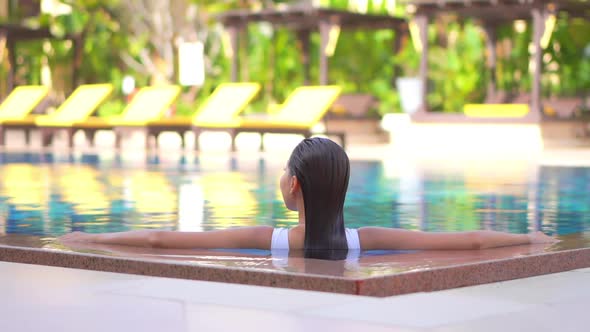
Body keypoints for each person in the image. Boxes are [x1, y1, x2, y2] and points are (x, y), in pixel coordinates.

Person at [59, 137, 557, 260]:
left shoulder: (267, 240)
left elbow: (162, 240)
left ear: (292, 186)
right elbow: (464, 241)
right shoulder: (366, 242)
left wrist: (93, 239)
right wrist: (526, 238)